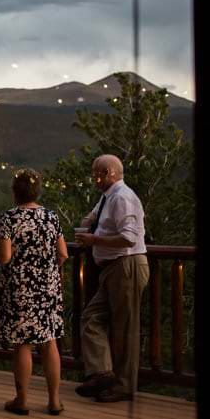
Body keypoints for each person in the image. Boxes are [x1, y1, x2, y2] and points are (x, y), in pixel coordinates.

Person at [73, 155, 149, 403]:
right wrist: (89, 227)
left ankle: (124, 386)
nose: (94, 178)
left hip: (126, 265)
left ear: (109, 172)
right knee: (91, 318)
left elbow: (128, 237)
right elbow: (91, 219)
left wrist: (94, 240)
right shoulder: (107, 198)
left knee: (125, 328)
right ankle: (102, 373)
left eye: (96, 173)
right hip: (112, 268)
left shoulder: (123, 198)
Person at [0, 169, 67, 416]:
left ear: (15, 192)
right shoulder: (51, 217)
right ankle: (54, 401)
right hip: (47, 287)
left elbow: (4, 257)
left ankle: (22, 400)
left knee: (22, 344)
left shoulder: (9, 218)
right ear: (38, 191)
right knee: (49, 342)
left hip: (19, 288)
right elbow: (63, 253)